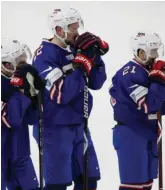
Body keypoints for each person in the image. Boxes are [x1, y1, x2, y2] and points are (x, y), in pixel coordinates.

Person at [32, 7, 109, 190]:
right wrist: (82, 65)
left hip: (79, 124)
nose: (77, 31)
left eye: (77, 25)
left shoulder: (75, 49)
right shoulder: (44, 55)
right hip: (54, 128)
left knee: (88, 180)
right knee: (57, 185)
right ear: (59, 30)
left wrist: (94, 57)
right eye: (73, 27)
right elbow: (61, 94)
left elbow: (96, 83)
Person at [109, 32, 165, 190]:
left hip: (146, 132)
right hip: (131, 134)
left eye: (157, 51)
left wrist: (159, 80)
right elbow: (150, 106)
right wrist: (158, 81)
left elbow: (160, 105)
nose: (156, 56)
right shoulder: (130, 73)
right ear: (141, 52)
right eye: (152, 51)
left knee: (146, 185)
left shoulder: (149, 72)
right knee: (133, 186)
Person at [1, 38, 41, 190]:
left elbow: (31, 119)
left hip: (22, 155)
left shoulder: (17, 81)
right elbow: (11, 119)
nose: (24, 64)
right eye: (20, 60)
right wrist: (22, 92)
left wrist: (35, 94)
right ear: (6, 63)